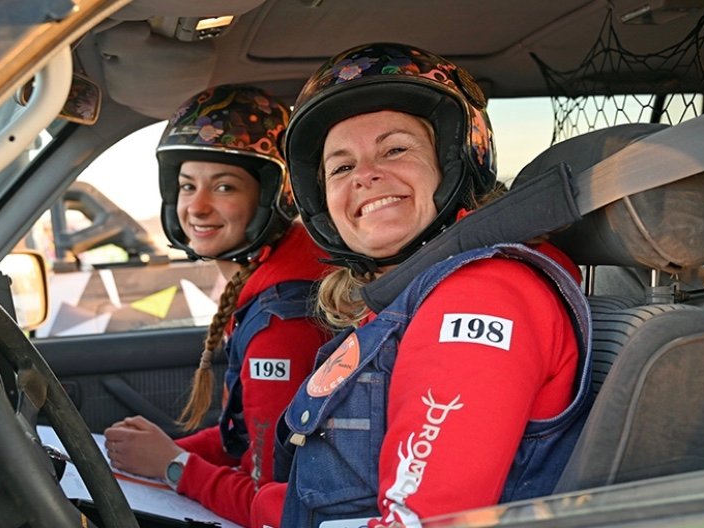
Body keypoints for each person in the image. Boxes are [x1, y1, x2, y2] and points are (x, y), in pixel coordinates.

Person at [250, 43, 593, 527]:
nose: (366, 176)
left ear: (455, 164)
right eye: (342, 167)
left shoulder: (480, 296)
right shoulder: (409, 299)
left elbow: (423, 521)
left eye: (395, 149)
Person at [102, 84, 332, 527]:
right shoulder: (271, 284)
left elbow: (274, 504)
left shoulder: (283, 323)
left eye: (224, 187)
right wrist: (162, 453)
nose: (197, 207)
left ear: (270, 197)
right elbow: (243, 439)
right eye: (188, 186)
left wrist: (173, 466)